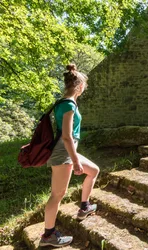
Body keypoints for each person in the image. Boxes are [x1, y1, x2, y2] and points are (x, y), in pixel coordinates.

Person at [39, 64, 100, 248]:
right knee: (57, 194)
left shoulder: (63, 102)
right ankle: (48, 235)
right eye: (84, 87)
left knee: (94, 170)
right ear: (79, 86)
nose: (84, 89)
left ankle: (84, 207)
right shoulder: (68, 105)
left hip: (68, 150)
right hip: (64, 152)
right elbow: (66, 135)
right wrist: (75, 161)